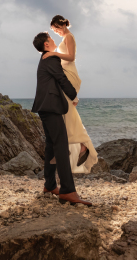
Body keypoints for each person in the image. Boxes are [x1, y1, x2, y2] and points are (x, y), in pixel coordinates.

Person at [32, 31, 92, 206]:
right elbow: (61, 78)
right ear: (46, 44)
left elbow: (55, 81)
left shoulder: (45, 58)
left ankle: (50, 185)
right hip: (50, 107)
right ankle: (67, 191)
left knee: (51, 146)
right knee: (61, 146)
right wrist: (73, 96)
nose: (53, 40)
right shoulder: (50, 59)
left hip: (47, 106)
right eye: (50, 39)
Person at [42, 15, 99, 173]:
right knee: (66, 111)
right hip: (64, 74)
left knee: (65, 110)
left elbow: (71, 57)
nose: (56, 32)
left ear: (61, 25)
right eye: (53, 31)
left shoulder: (69, 37)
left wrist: (54, 55)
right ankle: (78, 146)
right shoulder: (65, 37)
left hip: (70, 75)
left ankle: (78, 146)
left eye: (56, 29)